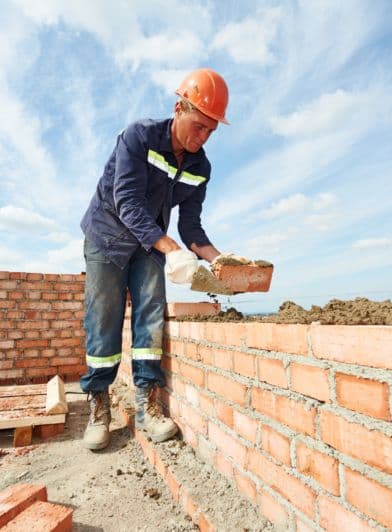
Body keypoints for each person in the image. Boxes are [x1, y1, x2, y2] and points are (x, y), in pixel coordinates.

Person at [78, 68, 232, 450]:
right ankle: (99, 405)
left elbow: (192, 228)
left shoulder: (200, 168)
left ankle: (149, 407)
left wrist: (223, 261)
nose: (203, 138)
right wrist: (170, 248)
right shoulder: (138, 137)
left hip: (149, 243)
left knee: (150, 317)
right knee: (103, 318)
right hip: (108, 238)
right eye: (198, 126)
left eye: (211, 131)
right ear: (179, 108)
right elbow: (126, 201)